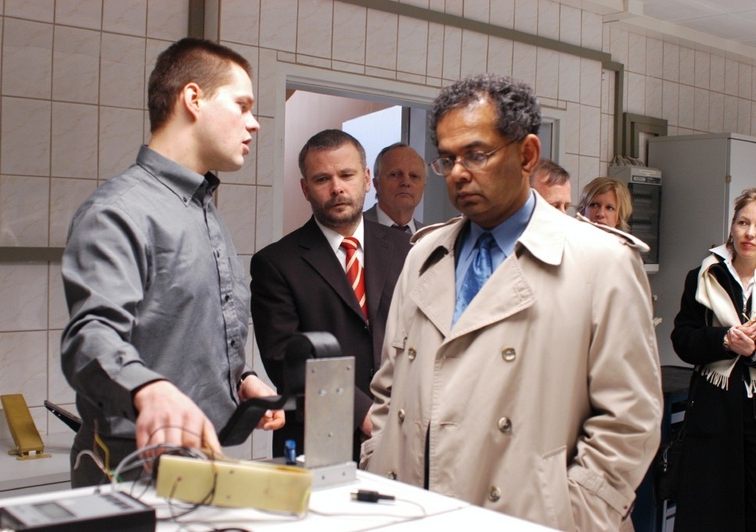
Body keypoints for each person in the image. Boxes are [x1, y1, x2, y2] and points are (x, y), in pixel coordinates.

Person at [361, 73, 662, 531]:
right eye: (448, 158)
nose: (459, 172)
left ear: (527, 155)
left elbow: (630, 420)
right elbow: (390, 384)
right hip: (413, 510)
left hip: (530, 517)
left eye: (477, 154)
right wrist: (377, 458)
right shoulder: (424, 252)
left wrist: (574, 512)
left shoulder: (601, 261)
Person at [60, 38, 284, 487]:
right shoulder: (118, 211)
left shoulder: (203, 209)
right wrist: (148, 389)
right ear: (193, 99)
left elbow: (186, 330)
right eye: (241, 105)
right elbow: (90, 336)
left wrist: (242, 378)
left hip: (200, 463)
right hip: (129, 471)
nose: (254, 123)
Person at [250, 129, 411, 461]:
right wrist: (364, 411)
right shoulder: (276, 263)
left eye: (347, 175)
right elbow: (286, 359)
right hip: (319, 441)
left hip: (403, 429)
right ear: (305, 189)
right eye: (322, 179)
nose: (337, 188)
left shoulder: (407, 249)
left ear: (367, 179)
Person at [671, 187, 756, 531]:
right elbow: (682, 338)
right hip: (713, 413)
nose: (750, 233)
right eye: (743, 222)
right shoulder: (704, 274)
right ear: (731, 226)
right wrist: (723, 340)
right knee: (708, 514)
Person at [363, 142, 427, 233]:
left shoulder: (434, 239)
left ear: (423, 187)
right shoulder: (352, 230)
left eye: (414, 176)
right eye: (395, 174)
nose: (406, 182)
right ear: (376, 183)